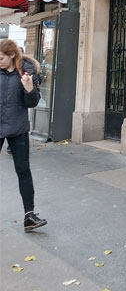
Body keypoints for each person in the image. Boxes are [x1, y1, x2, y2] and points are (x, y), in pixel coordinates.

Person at [0, 39, 47, 232]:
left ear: (12, 55)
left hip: (17, 127)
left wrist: (29, 89)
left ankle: (30, 216)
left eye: (1, 57)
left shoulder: (27, 73)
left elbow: (33, 103)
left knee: (23, 171)